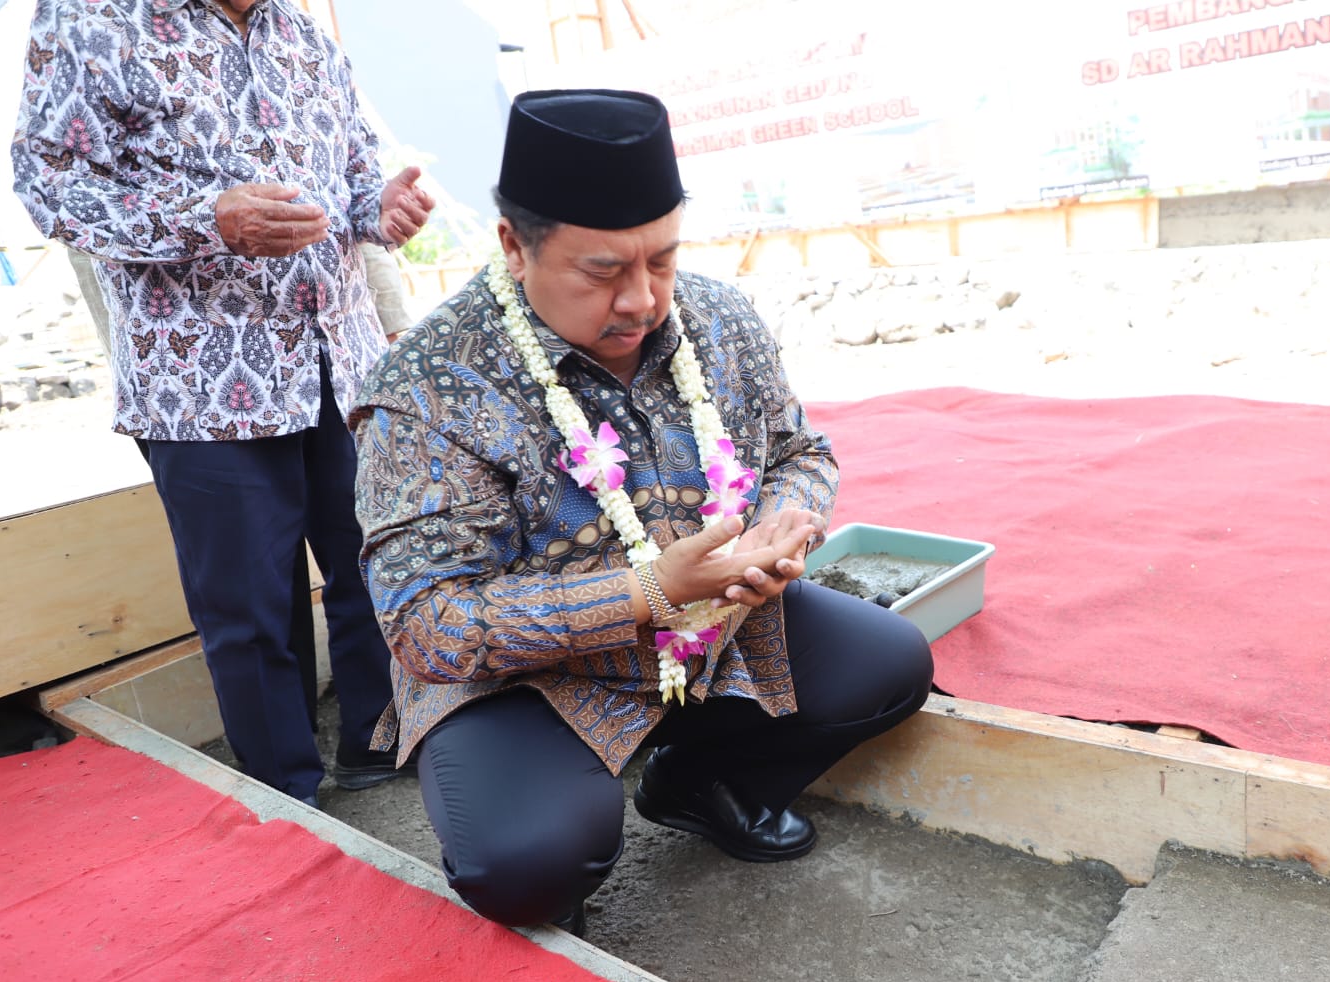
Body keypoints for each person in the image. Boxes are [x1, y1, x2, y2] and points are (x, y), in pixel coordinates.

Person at [348, 88, 934, 932]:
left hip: (721, 622)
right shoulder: (430, 388)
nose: (642, 300)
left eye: (660, 259)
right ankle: (561, 860)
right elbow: (429, 626)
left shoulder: (716, 316)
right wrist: (649, 589)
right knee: (525, 862)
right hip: (530, 679)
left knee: (889, 665)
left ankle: (699, 784)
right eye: (603, 271)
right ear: (514, 246)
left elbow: (802, 451)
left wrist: (782, 523)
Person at [11, 0, 435, 806]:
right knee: (250, 601)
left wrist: (376, 209)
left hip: (339, 359)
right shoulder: (91, 17)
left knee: (370, 561)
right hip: (200, 379)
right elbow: (51, 186)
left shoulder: (302, 29)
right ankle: (285, 790)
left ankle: (378, 740)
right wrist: (207, 220)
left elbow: (349, 170)